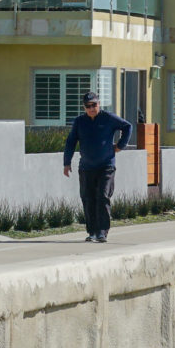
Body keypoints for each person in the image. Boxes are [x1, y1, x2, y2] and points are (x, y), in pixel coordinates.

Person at [62, 92, 131, 243]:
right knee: (88, 199)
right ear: (84, 107)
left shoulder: (108, 118)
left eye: (94, 105)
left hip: (106, 166)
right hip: (86, 167)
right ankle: (92, 231)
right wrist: (66, 163)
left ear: (99, 104)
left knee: (103, 196)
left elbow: (127, 126)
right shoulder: (80, 122)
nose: (91, 108)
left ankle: (102, 232)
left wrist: (120, 146)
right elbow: (71, 142)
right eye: (88, 106)